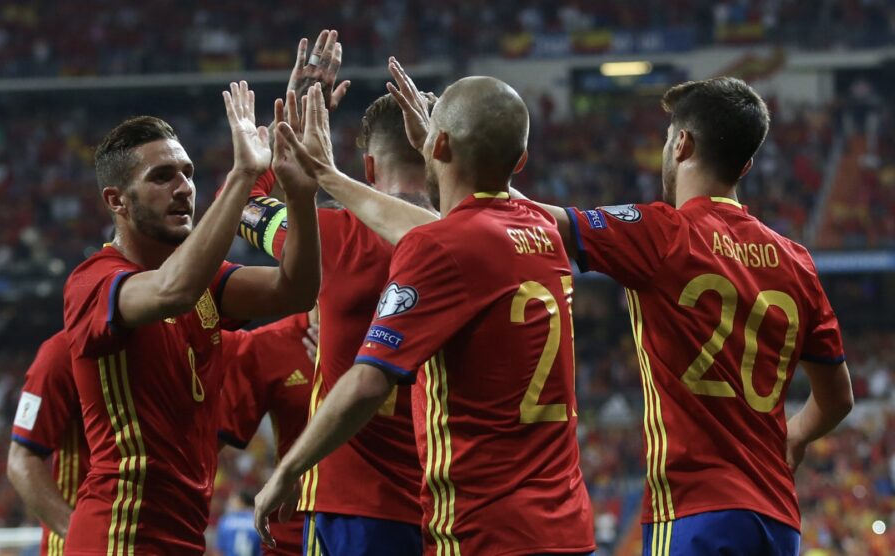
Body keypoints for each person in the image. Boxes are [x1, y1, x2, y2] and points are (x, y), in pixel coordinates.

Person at [326, 67, 856, 555]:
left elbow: (519, 224)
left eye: (668, 138)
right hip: (779, 520)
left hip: (696, 510)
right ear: (746, 164)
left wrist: (455, 157)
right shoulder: (797, 260)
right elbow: (837, 398)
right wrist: (797, 434)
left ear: (683, 144)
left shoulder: (664, 235)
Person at [257, 73, 595, 555]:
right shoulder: (542, 229)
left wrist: (288, 469)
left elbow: (369, 380)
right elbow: (445, 224)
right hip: (565, 524)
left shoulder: (434, 247)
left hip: (481, 525)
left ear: (437, 144)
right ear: (520, 161)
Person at [61, 82, 321, 554]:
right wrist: (244, 175)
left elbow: (297, 288)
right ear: (117, 201)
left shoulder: (206, 281)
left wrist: (300, 195)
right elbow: (172, 290)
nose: (183, 188)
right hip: (121, 534)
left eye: (188, 172)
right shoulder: (93, 283)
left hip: (183, 535)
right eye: (162, 177)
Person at [233, 35, 431, 556]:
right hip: (457, 505)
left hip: (356, 509)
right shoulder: (485, 240)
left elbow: (241, 206)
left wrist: (286, 140)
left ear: (367, 169)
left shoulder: (332, 238)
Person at [217, 309, 319, 556]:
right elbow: (207, 448)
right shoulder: (267, 346)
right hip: (290, 531)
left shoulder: (386, 335)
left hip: (376, 515)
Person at [8, 331, 89, 555]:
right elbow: (20, 459)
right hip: (82, 546)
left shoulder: (170, 352)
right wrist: (80, 536)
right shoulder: (61, 353)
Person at [215, 492, 262, 556]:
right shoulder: (259, 521)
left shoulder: (226, 521)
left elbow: (219, 550)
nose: (230, 503)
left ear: (241, 501)